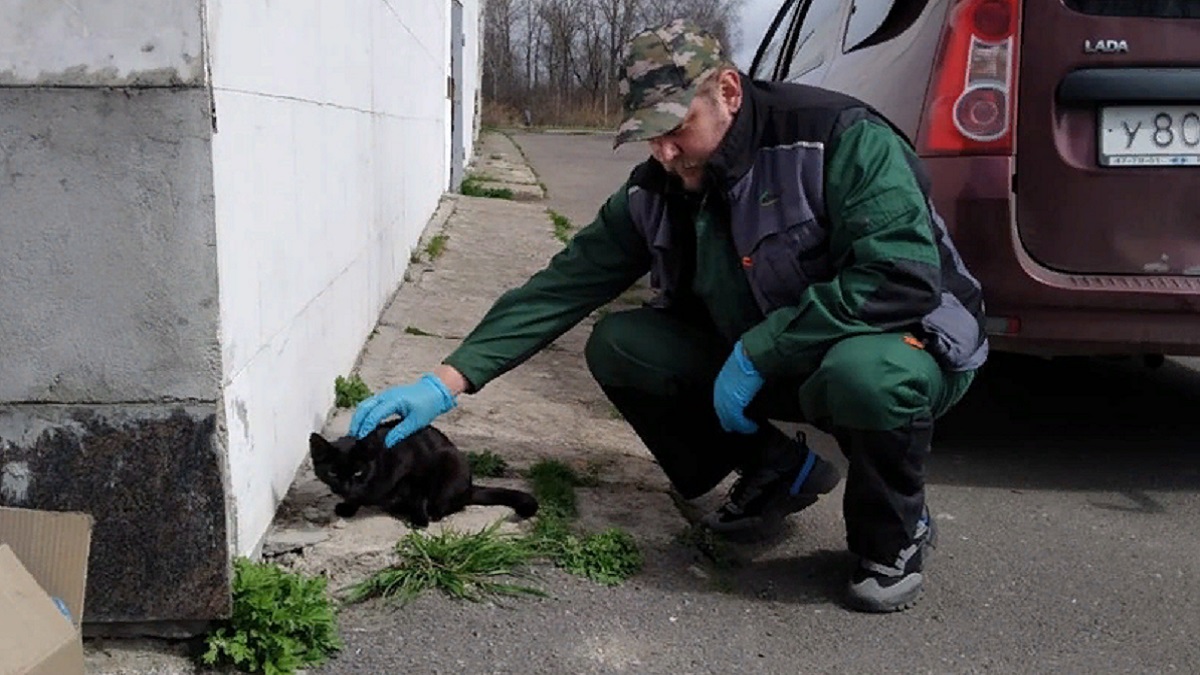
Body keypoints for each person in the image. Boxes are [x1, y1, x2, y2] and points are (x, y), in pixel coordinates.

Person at [349, 18, 988, 613]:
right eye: (647, 134)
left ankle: (894, 534)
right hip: (770, 353)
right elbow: (560, 287)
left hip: (892, 341)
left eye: (676, 127)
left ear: (729, 92)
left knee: (865, 377)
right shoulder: (657, 187)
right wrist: (446, 381)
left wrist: (761, 349)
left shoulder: (837, 138)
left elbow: (898, 277)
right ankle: (776, 471)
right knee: (624, 345)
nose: (664, 151)